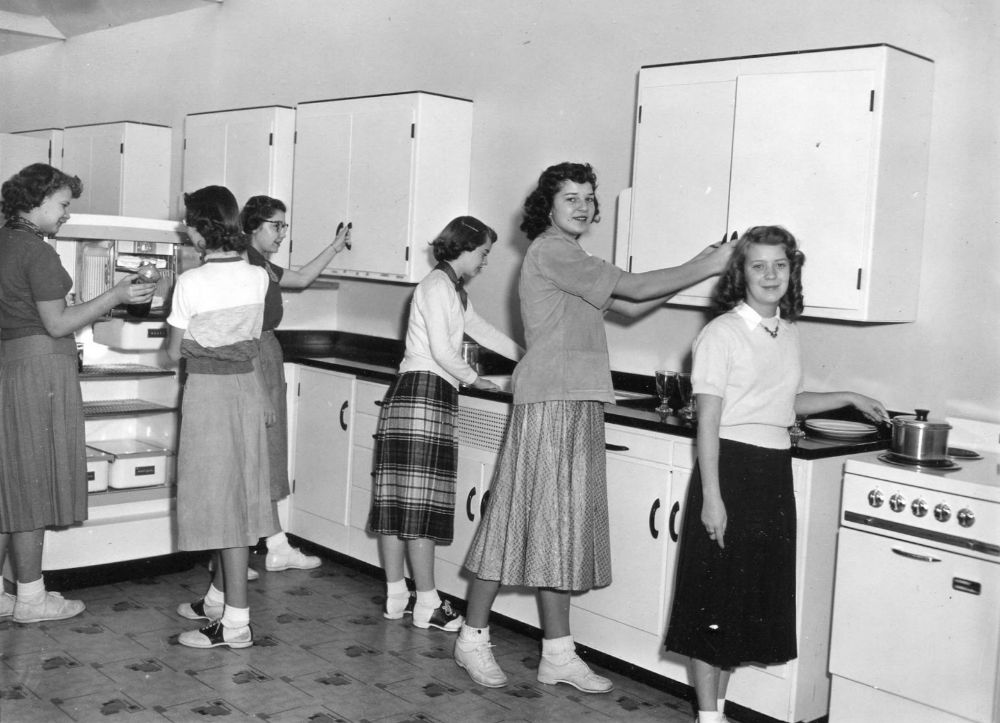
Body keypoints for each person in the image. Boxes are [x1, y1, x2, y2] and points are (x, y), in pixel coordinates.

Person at [454, 162, 733, 692]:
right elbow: (632, 288)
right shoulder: (553, 250)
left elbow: (631, 306)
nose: (582, 206)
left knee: (559, 526)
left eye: (588, 197)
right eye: (569, 198)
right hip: (550, 399)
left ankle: (557, 653)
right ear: (548, 207)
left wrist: (700, 263)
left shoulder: (571, 256)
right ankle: (472, 637)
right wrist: (708, 266)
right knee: (515, 518)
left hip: (575, 398)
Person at [663, 226, 888, 723]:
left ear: (792, 270)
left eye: (780, 265)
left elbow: (786, 405)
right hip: (730, 467)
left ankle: (715, 710)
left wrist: (849, 396)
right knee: (713, 599)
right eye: (758, 265)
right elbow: (710, 421)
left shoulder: (786, 332)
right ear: (740, 273)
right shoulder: (720, 333)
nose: (770, 275)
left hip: (771, 471)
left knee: (740, 602)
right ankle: (708, 716)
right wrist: (712, 498)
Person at [0, 163, 155, 623]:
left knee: (10, 482)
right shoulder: (36, 251)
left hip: (10, 366)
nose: (66, 214)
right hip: (41, 370)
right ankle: (31, 597)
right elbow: (58, 323)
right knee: (34, 484)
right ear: (38, 200)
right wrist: (118, 293)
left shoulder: (3, 241)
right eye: (63, 205)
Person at [368, 216, 524, 632]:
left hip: (414, 392)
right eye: (484, 252)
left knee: (397, 501)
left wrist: (526, 354)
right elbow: (441, 349)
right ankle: (428, 605)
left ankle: (396, 595)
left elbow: (480, 331)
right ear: (464, 247)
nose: (486, 261)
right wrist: (479, 381)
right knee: (417, 505)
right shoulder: (436, 287)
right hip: (425, 392)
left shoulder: (451, 289)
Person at [168, 185, 276, 649]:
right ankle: (223, 605)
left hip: (209, 394)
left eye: (189, 222)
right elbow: (248, 342)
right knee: (240, 499)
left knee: (220, 503)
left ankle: (235, 624)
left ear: (200, 230)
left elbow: (172, 352)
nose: (185, 228)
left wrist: (198, 341)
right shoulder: (257, 276)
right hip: (246, 386)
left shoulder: (190, 283)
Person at [239, 195, 352, 575]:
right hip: (253, 354)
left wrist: (335, 247)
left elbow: (301, 278)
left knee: (265, 453)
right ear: (253, 225)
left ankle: (271, 545)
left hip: (267, 349)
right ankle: (235, 555)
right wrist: (257, 386)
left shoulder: (262, 264)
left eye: (284, 226)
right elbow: (241, 329)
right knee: (251, 453)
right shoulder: (242, 262)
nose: (282, 234)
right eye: (276, 225)